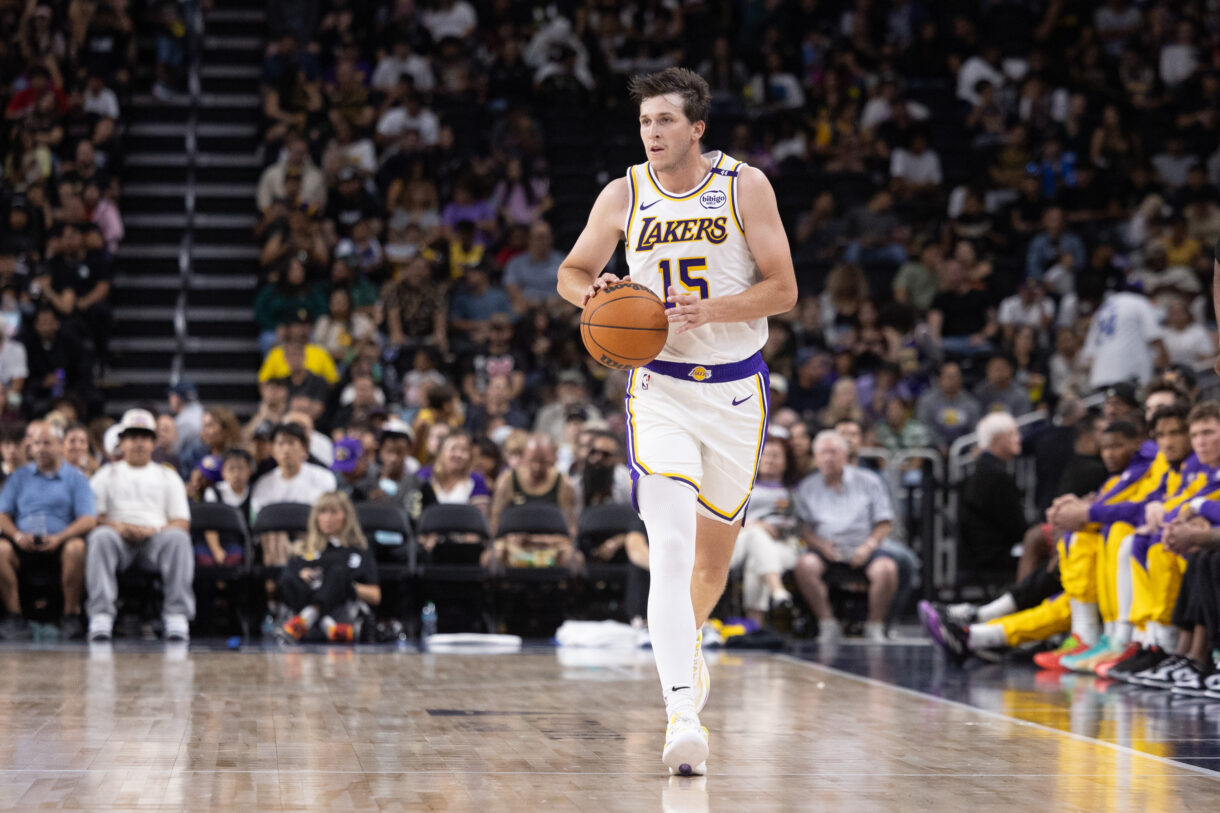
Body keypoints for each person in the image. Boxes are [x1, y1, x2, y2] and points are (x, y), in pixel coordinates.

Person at [555, 67, 797, 776]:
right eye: (644, 122)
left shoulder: (744, 186)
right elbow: (572, 271)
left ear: (696, 127)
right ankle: (681, 710)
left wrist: (710, 310)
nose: (652, 133)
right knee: (667, 539)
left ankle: (685, 651)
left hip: (735, 393)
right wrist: (593, 289)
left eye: (665, 121)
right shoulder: (623, 192)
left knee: (710, 565)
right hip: (656, 387)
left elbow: (782, 289)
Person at [84, 409, 194, 643]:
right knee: (99, 537)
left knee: (179, 539)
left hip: (155, 540)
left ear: (154, 442)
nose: (138, 443)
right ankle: (101, 614)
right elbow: (92, 516)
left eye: (144, 437)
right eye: (132, 437)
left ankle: (176, 615)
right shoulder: (107, 474)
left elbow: (181, 521)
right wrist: (117, 526)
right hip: (118, 539)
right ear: (121, 442)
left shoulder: (168, 476)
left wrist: (152, 530)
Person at [792, 431, 901, 642]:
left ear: (844, 455)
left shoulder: (869, 481)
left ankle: (874, 625)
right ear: (815, 458)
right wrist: (821, 546)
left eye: (833, 452)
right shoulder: (807, 487)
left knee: (887, 569)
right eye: (822, 453)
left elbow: (884, 523)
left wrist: (868, 547)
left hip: (865, 547)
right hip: (826, 549)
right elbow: (804, 529)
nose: (828, 458)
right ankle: (827, 623)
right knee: (805, 565)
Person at [0, 421, 96, 640]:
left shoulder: (77, 479)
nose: (41, 448)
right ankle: (14, 616)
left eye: (47, 443)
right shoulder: (19, 477)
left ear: (60, 445)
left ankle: (70, 615)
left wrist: (60, 537)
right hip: (22, 545)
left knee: (77, 547)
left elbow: (88, 520)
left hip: (60, 546)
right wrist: (16, 535)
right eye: (35, 444)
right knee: (1, 549)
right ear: (30, 447)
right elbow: (2, 514)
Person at [274, 491, 380, 644]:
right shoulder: (302, 549)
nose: (327, 518)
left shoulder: (358, 551)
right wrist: (302, 577)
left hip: (343, 615)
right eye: (322, 512)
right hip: (311, 614)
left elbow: (375, 596)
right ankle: (327, 626)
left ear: (346, 516)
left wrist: (344, 586)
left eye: (333, 512)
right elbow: (285, 584)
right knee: (290, 577)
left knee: (337, 573)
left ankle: (307, 619)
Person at [487, 434, 580, 569]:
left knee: (574, 558)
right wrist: (506, 537)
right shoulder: (507, 480)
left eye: (543, 461)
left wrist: (545, 541)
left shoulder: (563, 483)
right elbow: (495, 520)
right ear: (524, 457)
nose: (537, 467)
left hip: (550, 547)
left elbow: (571, 527)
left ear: (552, 459)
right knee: (492, 556)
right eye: (532, 460)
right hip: (516, 547)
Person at [957, 412, 1027, 582]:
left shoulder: (985, 468)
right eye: (1012, 434)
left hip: (984, 551)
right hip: (994, 554)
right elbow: (1018, 528)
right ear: (996, 440)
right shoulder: (995, 475)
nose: (1019, 438)